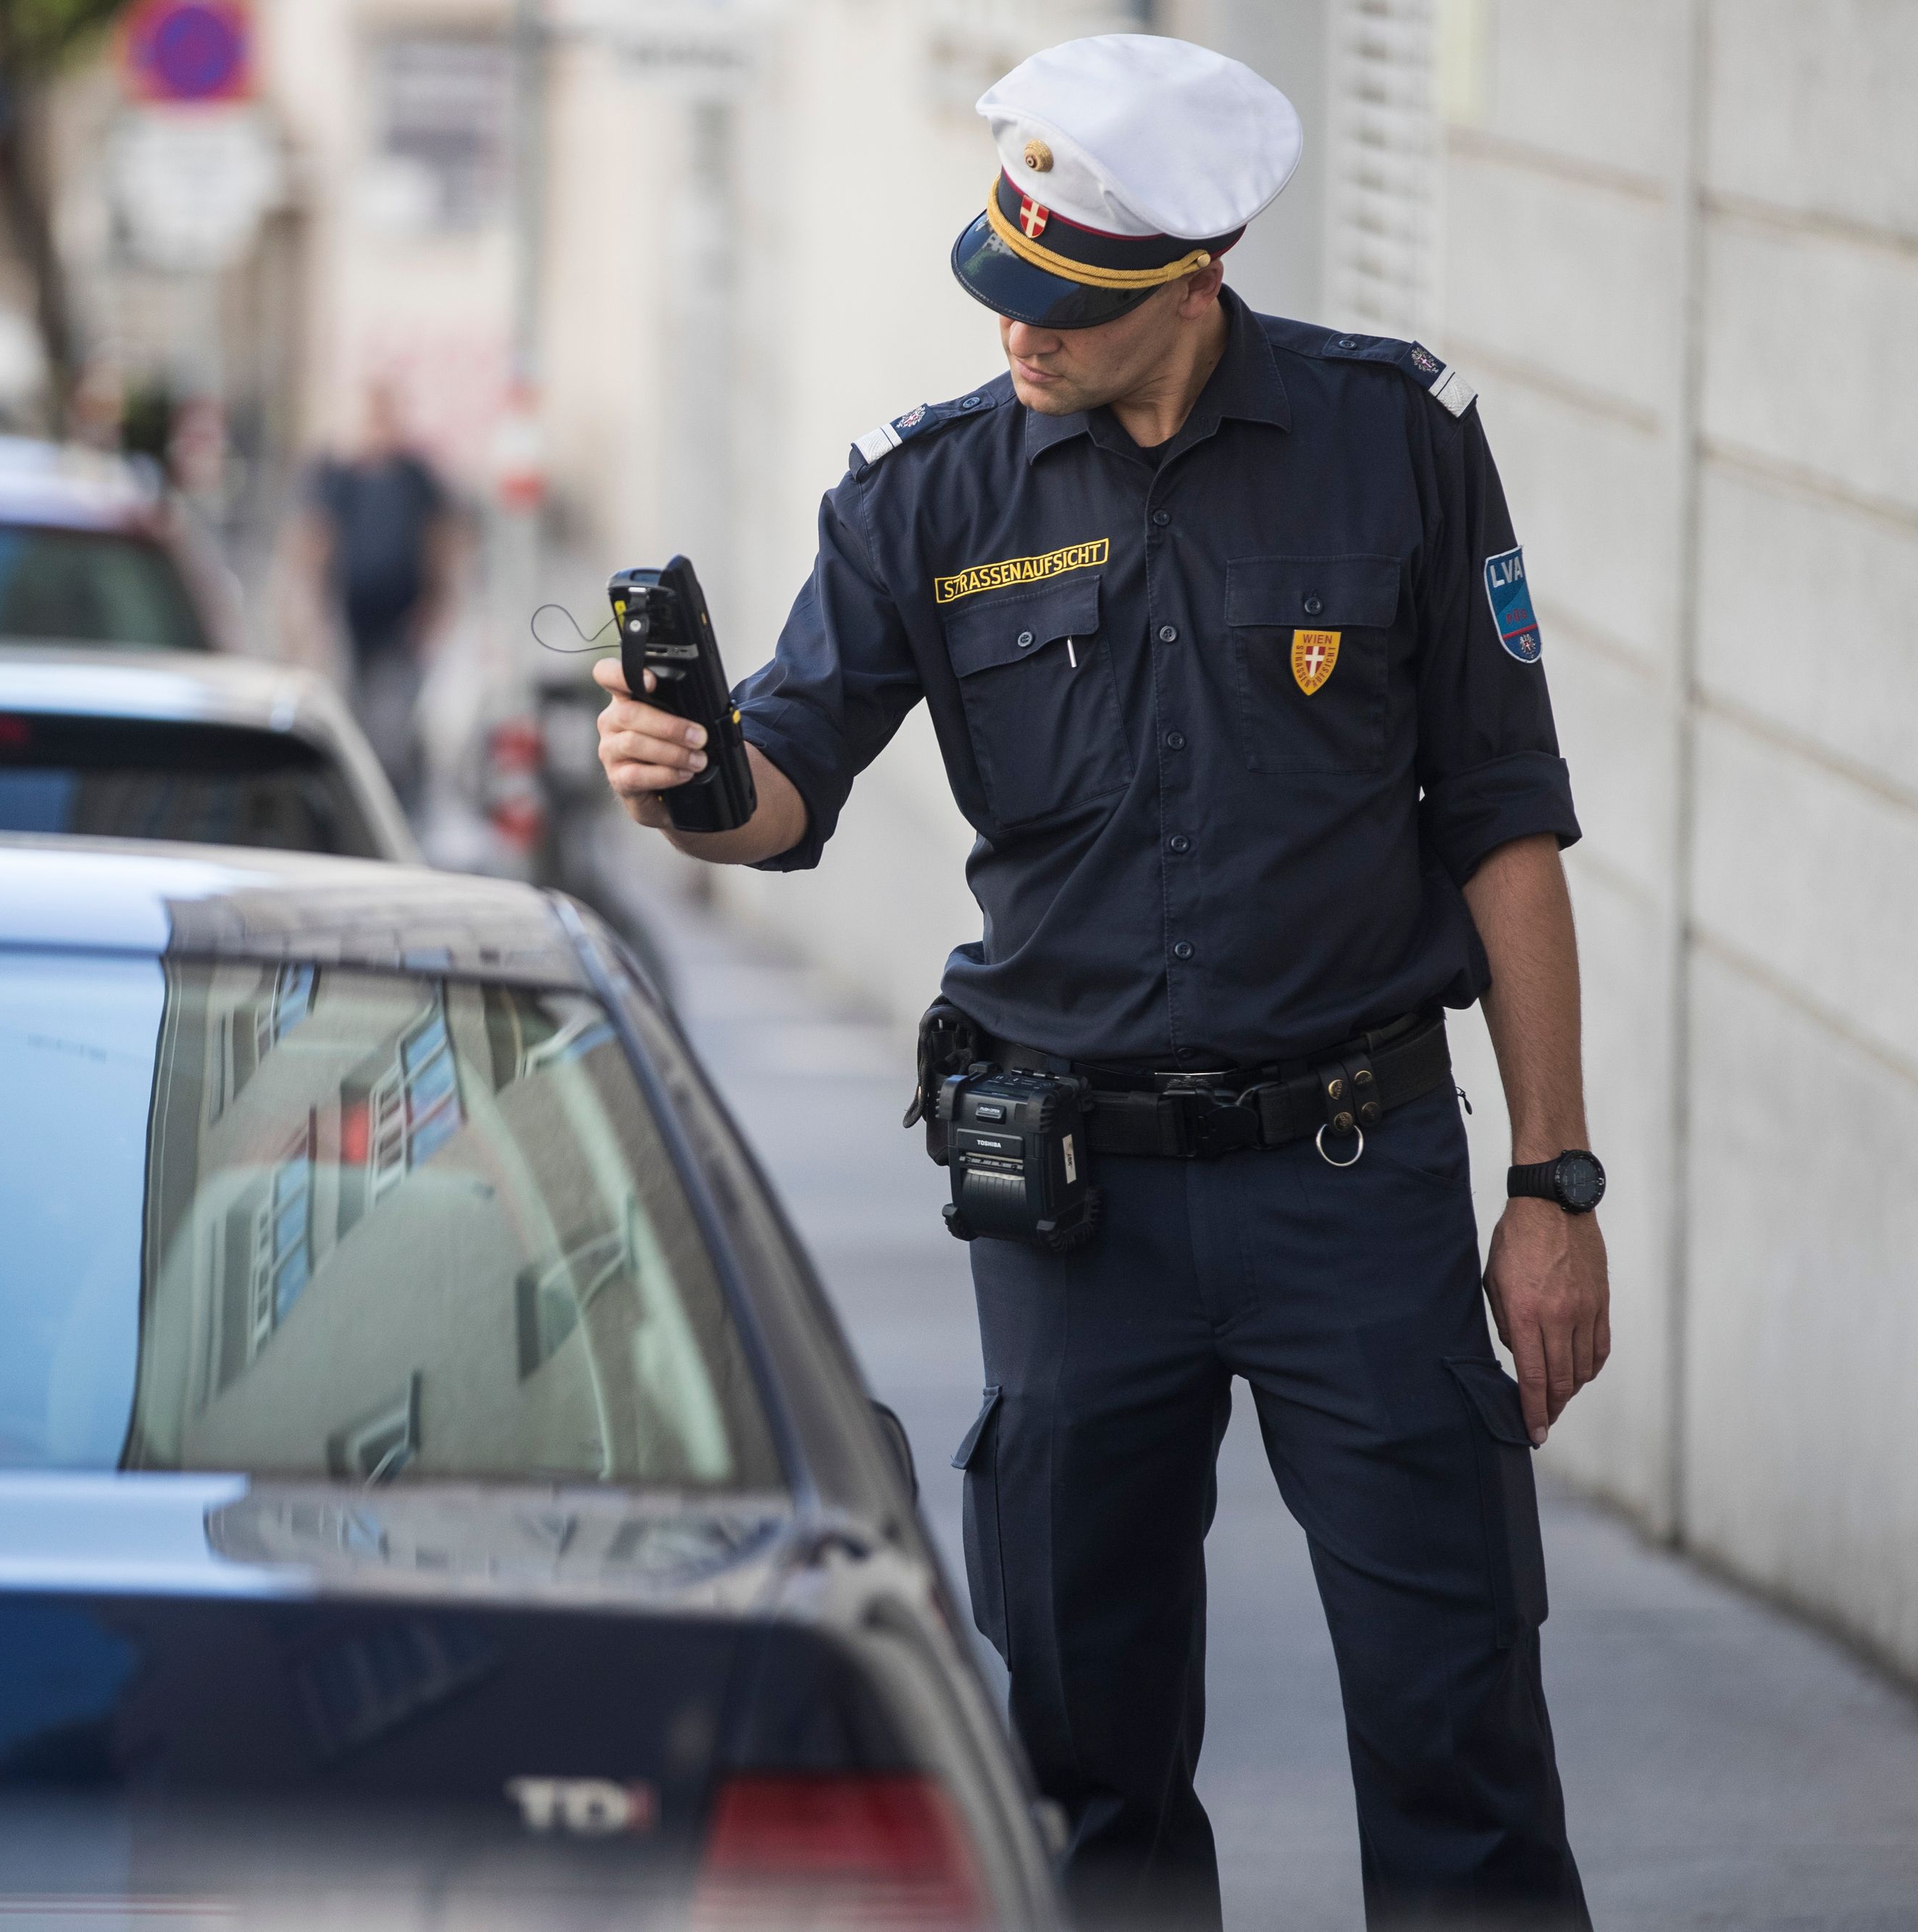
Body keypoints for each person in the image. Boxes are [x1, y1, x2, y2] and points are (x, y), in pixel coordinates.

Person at [594, 34, 1601, 1931]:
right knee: (1085, 1757)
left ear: (1199, 275)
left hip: (1351, 1178)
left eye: (1067, 301)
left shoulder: (1395, 445)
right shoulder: (927, 495)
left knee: (1458, 1724)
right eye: (1003, 277)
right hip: (1072, 1206)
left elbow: (1506, 825)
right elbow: (790, 773)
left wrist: (1554, 1183)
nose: (1019, 332)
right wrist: (693, 780)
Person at [289, 381, 462, 808]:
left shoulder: (415, 476)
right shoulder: (337, 473)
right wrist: (307, 612)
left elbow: (439, 540)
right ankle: (352, 798)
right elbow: (315, 538)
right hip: (349, 613)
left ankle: (393, 800)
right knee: (349, 708)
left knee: (396, 719)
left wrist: (439, 606)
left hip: (402, 614)